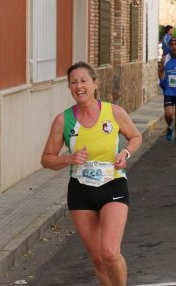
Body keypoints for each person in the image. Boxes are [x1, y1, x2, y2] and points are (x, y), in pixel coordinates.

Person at [41, 62, 142, 286]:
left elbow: (135, 137)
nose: (79, 86)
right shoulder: (63, 120)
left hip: (113, 186)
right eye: (73, 82)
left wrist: (125, 152)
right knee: (97, 259)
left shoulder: (113, 112)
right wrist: (69, 158)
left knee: (110, 252)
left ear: (95, 83)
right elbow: (46, 158)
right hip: (81, 192)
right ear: (69, 87)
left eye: (83, 81)